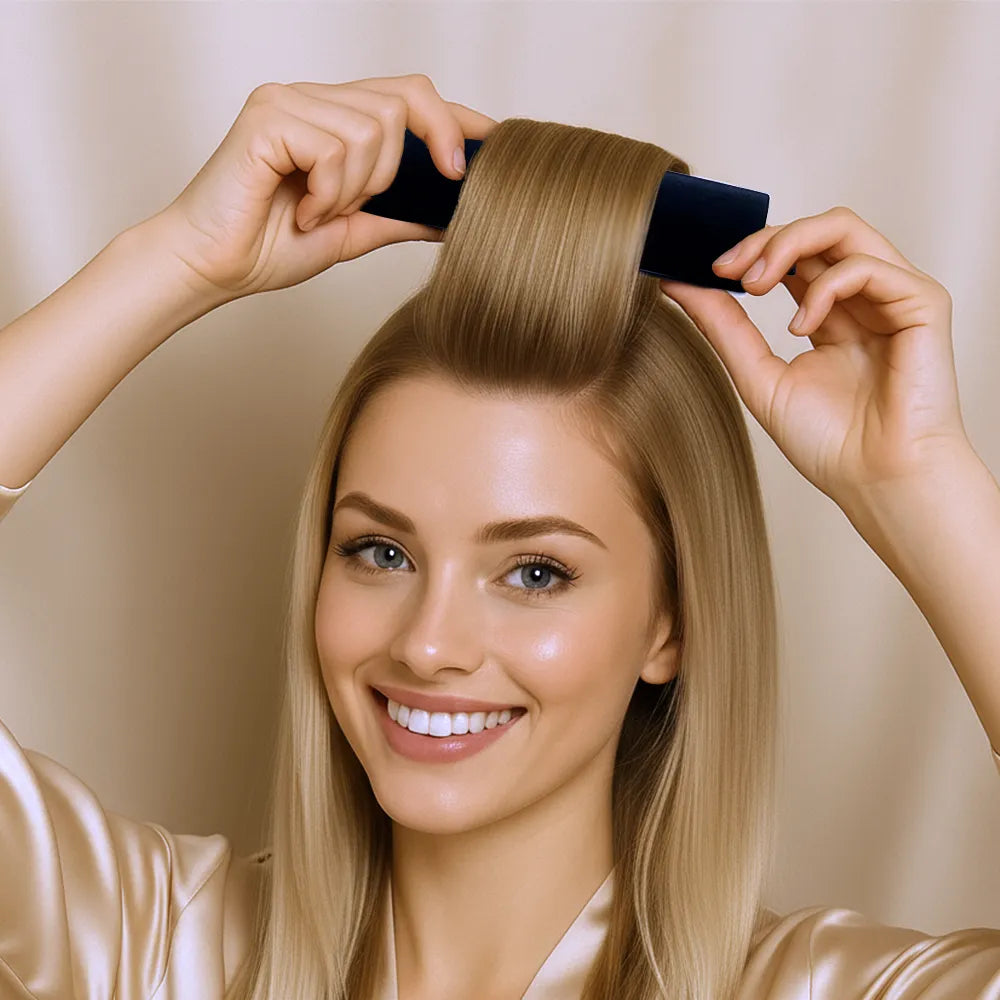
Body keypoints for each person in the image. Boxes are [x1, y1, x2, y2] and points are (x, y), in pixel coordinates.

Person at [1, 73, 998, 1000]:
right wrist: (170, 261)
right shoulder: (151, 948)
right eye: (379, 552)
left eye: (533, 570)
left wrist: (916, 478)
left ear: (671, 623)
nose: (428, 643)